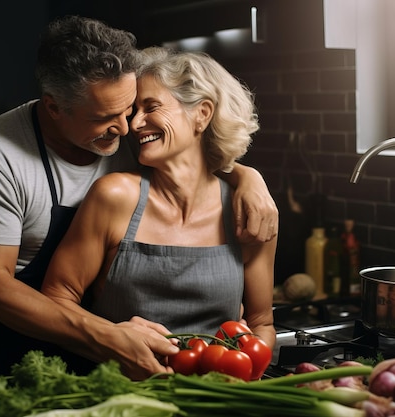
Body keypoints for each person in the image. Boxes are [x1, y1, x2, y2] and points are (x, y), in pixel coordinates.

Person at [0, 15, 278, 380]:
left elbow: (192, 160)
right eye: (109, 116)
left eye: (131, 108)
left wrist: (248, 176)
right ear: (55, 107)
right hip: (26, 357)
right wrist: (109, 336)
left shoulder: (126, 137)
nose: (127, 128)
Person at [41, 47, 276, 351]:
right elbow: (57, 299)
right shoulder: (114, 197)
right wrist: (112, 336)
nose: (134, 125)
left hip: (218, 389)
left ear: (201, 114)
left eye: (150, 107)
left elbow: (261, 323)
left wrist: (245, 370)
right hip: (123, 388)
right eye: (133, 111)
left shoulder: (249, 209)